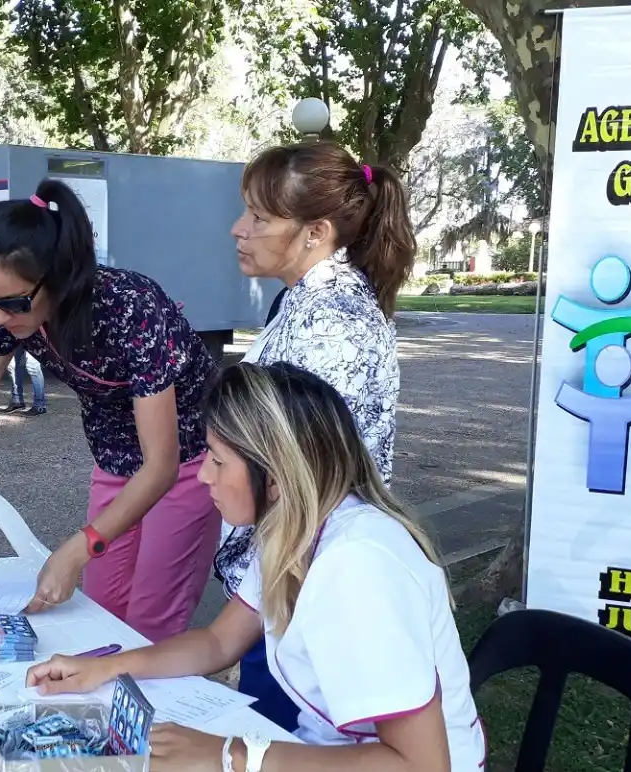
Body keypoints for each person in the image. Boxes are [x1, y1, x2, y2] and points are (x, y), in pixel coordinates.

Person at [27, 363, 485, 772]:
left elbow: (422, 764)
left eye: (218, 460)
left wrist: (230, 755)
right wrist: (107, 668)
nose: (204, 475)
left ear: (277, 479)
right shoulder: (297, 529)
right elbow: (218, 640)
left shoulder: (356, 567)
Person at [0, 180, 220, 642]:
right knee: (101, 611)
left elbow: (162, 465)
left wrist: (79, 547)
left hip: (188, 463)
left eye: (12, 303)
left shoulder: (131, 308)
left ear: (59, 277)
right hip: (116, 462)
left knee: (151, 620)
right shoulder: (9, 316)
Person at [215, 142, 415, 730]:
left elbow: (307, 477)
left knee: (284, 738)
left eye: (258, 216)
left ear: (316, 232)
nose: (238, 229)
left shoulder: (334, 323)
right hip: (284, 574)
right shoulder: (306, 300)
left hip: (303, 580)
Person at [4, 346, 48, 415]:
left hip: (33, 337)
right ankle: (17, 401)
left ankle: (40, 405)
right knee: (12, 365)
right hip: (15, 336)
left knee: (32, 366)